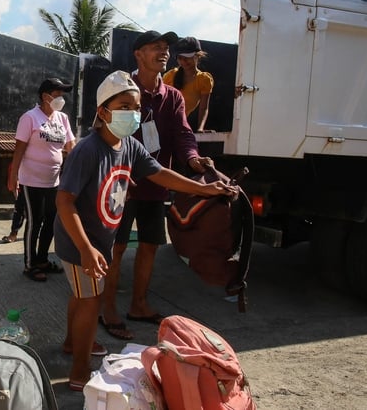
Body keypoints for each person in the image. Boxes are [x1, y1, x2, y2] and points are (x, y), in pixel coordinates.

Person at [55, 70, 237, 391]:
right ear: (103, 111)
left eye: (136, 108)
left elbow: (161, 174)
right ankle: (80, 373)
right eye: (124, 106)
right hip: (79, 239)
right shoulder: (88, 150)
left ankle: (72, 343)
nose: (133, 114)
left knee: (81, 294)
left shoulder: (128, 146)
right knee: (91, 300)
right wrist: (85, 248)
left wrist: (206, 190)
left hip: (98, 239)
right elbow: (64, 201)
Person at [100, 31, 215, 336]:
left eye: (165, 49)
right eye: (156, 48)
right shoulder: (122, 88)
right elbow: (105, 130)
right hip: (120, 184)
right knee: (117, 247)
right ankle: (107, 308)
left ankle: (138, 304)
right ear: (138, 54)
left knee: (150, 245)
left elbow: (183, 134)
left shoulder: (173, 97)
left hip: (155, 183)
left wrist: (192, 159)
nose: (163, 53)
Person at [8, 77, 76, 282]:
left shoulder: (62, 119)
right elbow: (19, 150)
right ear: (45, 96)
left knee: (51, 222)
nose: (61, 99)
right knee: (35, 222)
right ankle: (29, 265)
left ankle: (42, 260)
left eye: (62, 95)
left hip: (54, 182)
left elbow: (71, 148)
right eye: (57, 95)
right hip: (31, 181)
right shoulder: (30, 118)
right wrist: (13, 177)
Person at [162, 37, 214, 132]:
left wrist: (200, 128)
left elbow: (203, 108)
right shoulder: (170, 76)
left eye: (187, 57)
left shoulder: (204, 79)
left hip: (178, 128)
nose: (183, 61)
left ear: (198, 56)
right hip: (162, 124)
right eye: (180, 58)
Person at [2, 162, 25, 244]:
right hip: (24, 189)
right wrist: (15, 192)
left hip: (42, 186)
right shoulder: (15, 163)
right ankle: (13, 233)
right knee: (18, 211)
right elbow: (13, 176)